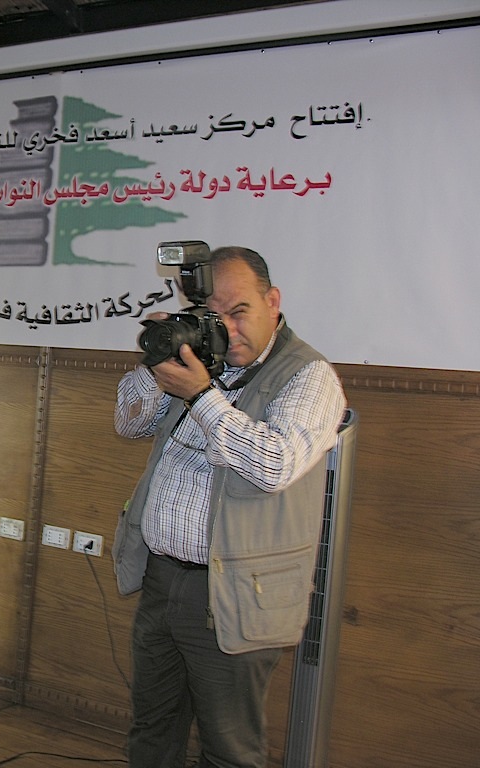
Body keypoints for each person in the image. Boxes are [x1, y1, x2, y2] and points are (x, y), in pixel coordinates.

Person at [113, 246, 346, 768]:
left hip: (236, 594)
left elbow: (274, 465)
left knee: (229, 749)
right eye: (213, 316)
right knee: (152, 731)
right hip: (161, 579)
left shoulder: (309, 376)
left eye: (239, 312)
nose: (228, 330)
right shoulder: (198, 360)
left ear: (272, 301)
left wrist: (202, 396)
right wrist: (158, 362)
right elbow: (128, 423)